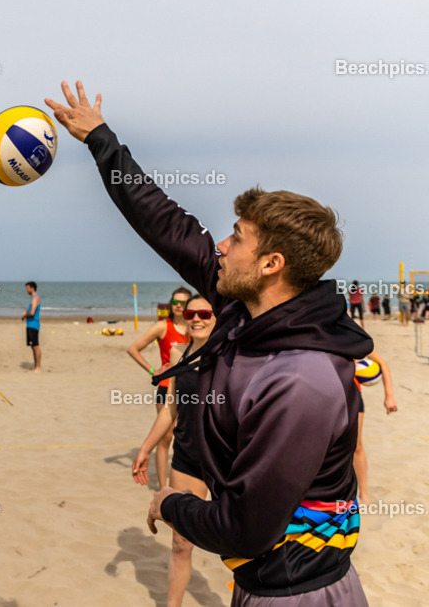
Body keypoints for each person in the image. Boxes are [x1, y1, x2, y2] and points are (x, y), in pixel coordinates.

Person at [46, 81, 372, 604]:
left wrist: (168, 502)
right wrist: (101, 140)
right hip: (257, 585)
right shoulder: (241, 307)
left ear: (271, 265)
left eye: (236, 237)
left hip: (297, 594)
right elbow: (165, 223)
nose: (220, 244)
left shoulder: (302, 376)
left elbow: (244, 528)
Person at [132, 295, 216, 607]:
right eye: (192, 313)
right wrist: (145, 448)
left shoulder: (229, 353)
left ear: (217, 317)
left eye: (205, 313)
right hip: (188, 456)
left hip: (225, 460)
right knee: (181, 542)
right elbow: (170, 408)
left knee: (241, 540)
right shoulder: (179, 353)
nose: (197, 318)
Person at [127, 287, 191, 490]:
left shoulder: (196, 326)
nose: (179, 305)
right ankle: (164, 486)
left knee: (184, 437)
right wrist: (153, 370)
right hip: (167, 387)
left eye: (183, 302)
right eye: (175, 302)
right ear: (170, 305)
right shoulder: (163, 326)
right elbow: (133, 348)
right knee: (166, 436)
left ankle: (181, 482)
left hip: (190, 388)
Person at [353, 349, 397, 505]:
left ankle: (363, 493)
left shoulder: (349, 335)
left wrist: (389, 396)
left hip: (352, 397)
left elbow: (383, 364)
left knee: (357, 446)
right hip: (326, 397)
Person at [21, 281, 42, 372]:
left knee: (35, 346)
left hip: (33, 325)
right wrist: (25, 313)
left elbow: (32, 312)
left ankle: (38, 367)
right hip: (30, 325)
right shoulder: (32, 298)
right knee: (32, 346)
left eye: (27, 288)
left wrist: (25, 315)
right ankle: (35, 366)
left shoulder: (35, 298)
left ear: (32, 288)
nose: (26, 290)